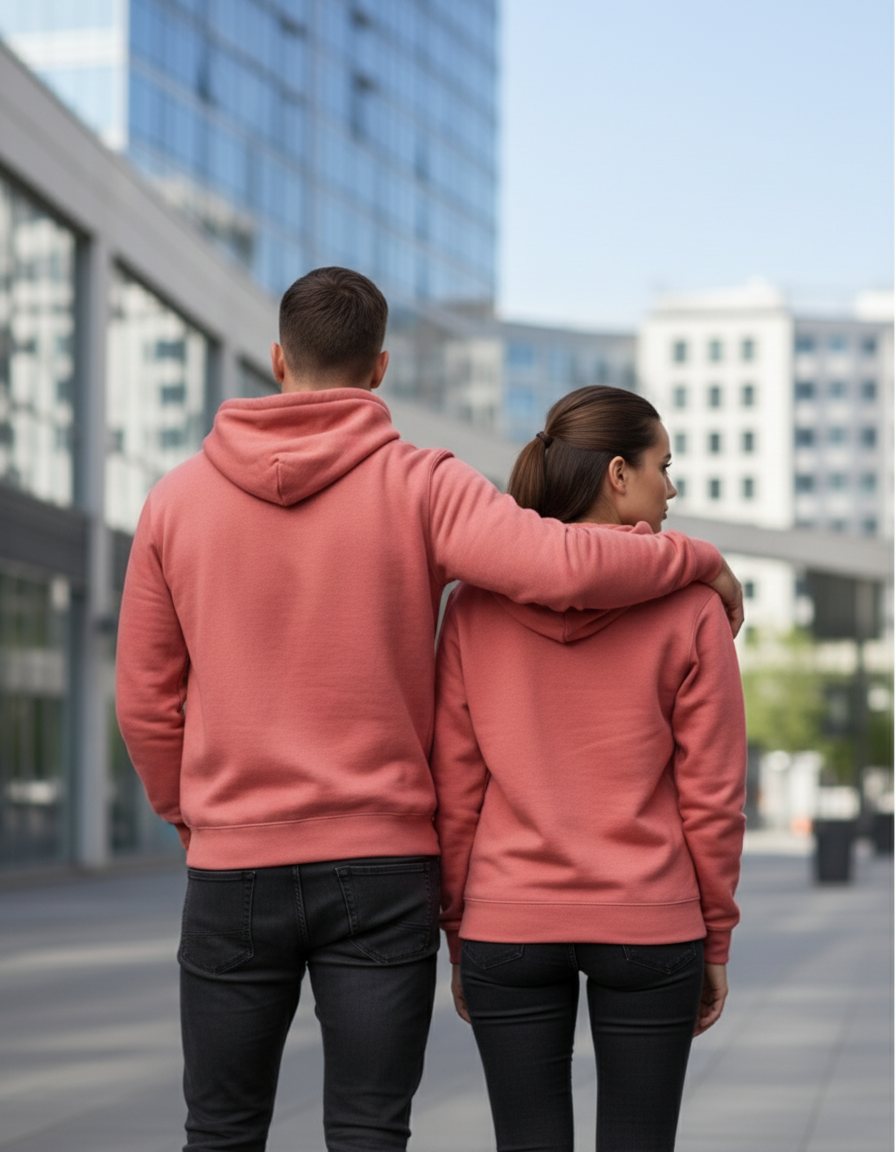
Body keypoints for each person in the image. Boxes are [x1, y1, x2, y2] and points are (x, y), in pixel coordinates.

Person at [115, 268, 743, 1152]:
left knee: (219, 1129)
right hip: (378, 869)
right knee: (370, 1130)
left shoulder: (174, 503)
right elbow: (564, 569)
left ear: (276, 359)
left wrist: (198, 822)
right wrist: (698, 560)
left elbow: (146, 701)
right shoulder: (422, 485)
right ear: (379, 368)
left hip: (235, 865)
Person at [432, 385, 747, 1152]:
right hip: (649, 920)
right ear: (616, 474)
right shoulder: (695, 609)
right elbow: (712, 797)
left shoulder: (474, 606)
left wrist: (459, 933)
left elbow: (456, 794)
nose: (670, 488)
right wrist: (714, 939)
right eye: (662, 466)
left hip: (508, 920)